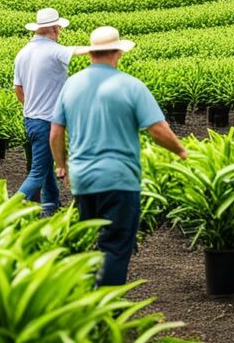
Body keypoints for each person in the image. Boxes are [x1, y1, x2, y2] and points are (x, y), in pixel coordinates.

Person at [49, 26, 188, 287]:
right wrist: (181, 151)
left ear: (90, 54)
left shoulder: (71, 85)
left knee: (92, 242)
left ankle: (87, 301)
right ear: (117, 53)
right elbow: (157, 129)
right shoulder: (131, 86)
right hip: (119, 179)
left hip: (82, 180)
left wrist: (61, 165)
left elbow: (56, 131)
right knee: (115, 246)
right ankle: (107, 308)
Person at [13, 8, 89, 215]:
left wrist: (32, 107)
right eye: (59, 29)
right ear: (55, 28)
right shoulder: (54, 50)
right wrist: (108, 47)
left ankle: (50, 207)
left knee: (45, 169)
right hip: (47, 122)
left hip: (30, 119)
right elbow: (79, 51)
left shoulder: (23, 53)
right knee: (38, 172)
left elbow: (17, 90)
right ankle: (6, 211)